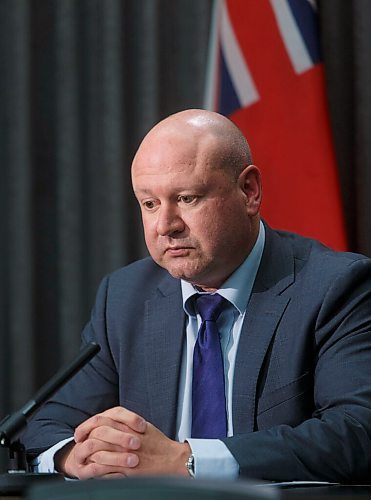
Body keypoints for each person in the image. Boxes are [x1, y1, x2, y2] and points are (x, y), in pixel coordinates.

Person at [23, 109, 371, 483]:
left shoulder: (335, 286)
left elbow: (356, 431)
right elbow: (47, 424)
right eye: (149, 203)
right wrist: (76, 455)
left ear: (249, 191)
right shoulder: (124, 298)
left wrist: (185, 461)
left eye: (187, 198)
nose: (165, 226)